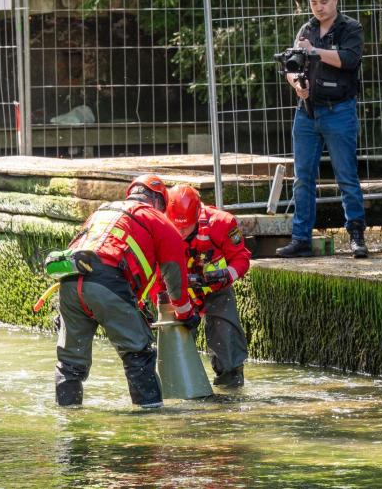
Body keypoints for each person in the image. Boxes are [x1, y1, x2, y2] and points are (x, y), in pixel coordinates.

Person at [54, 174, 195, 408]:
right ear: (159, 201)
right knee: (138, 354)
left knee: (70, 363)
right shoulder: (158, 219)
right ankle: (150, 421)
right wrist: (185, 312)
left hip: (69, 282)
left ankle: (68, 418)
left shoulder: (102, 212)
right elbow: (174, 273)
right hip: (107, 284)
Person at [276, 0, 368, 259]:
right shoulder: (307, 29)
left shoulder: (350, 28)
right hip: (307, 113)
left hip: (339, 111)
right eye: (314, 3)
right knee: (303, 178)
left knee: (346, 177)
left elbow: (349, 60)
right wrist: (296, 84)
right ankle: (301, 238)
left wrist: (314, 51)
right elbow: (292, 65)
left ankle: (356, 235)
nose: (319, 8)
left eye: (324, 2)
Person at [166, 184, 252, 387]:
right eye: (176, 226)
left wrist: (226, 275)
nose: (180, 231)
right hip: (178, 292)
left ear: (197, 215)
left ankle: (230, 389)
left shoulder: (222, 223)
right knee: (174, 345)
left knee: (226, 340)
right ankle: (178, 389)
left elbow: (241, 258)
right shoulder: (160, 225)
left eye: (185, 226)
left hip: (217, 290)